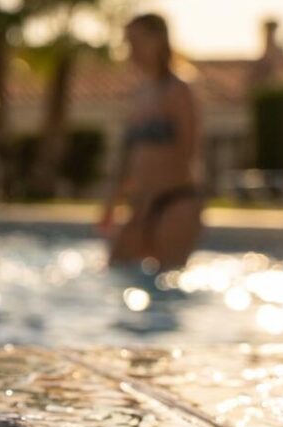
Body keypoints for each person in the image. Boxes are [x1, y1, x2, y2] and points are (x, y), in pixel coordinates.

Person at [98, 13, 204, 270]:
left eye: (135, 41)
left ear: (157, 41)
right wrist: (113, 202)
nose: (130, 50)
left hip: (175, 201)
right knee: (116, 267)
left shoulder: (179, 89)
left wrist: (152, 197)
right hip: (141, 205)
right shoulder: (139, 93)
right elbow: (129, 157)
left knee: (168, 283)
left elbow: (188, 152)